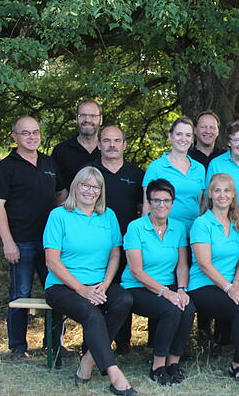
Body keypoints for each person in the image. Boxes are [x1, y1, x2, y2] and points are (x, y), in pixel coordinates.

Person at [43, 166, 136, 396]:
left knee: (123, 299)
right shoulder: (59, 215)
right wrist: (81, 289)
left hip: (98, 283)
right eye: (85, 185)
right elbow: (52, 261)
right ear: (76, 186)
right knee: (92, 314)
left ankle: (88, 361)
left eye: (95, 186)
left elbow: (116, 253)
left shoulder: (108, 215)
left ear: (101, 190)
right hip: (63, 285)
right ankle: (114, 375)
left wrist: (105, 283)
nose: (90, 190)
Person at [0, 116, 67, 361]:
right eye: (25, 133)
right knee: (19, 294)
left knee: (56, 292)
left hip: (50, 244)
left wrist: (61, 221)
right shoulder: (5, 167)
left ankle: (54, 344)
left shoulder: (48, 162)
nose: (32, 137)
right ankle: (18, 348)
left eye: (35, 132)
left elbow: (61, 192)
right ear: (14, 136)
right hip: (20, 242)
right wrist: (7, 242)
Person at [187, 173, 239, 391]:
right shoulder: (202, 223)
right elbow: (204, 264)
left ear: (233, 195)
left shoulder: (236, 223)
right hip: (203, 285)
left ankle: (237, 363)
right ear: (210, 195)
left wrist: (237, 284)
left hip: (231, 284)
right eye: (217, 191)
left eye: (227, 191)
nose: (222, 195)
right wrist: (228, 289)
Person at [121, 179, 195, 385]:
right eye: (156, 200)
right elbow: (136, 271)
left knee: (187, 308)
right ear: (149, 202)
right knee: (170, 310)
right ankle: (158, 366)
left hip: (169, 286)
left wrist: (181, 289)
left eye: (166, 200)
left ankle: (173, 363)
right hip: (138, 287)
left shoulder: (178, 228)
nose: (161, 205)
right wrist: (166, 293)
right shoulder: (135, 227)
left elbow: (182, 265)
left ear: (172, 203)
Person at [89, 125, 145, 353]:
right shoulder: (89, 173)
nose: (112, 145)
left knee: (124, 292)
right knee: (96, 291)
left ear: (124, 144)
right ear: (99, 144)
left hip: (128, 245)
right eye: (107, 141)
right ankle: (92, 343)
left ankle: (123, 343)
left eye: (117, 140)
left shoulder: (136, 174)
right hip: (95, 245)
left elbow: (144, 210)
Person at [143, 117, 206, 234]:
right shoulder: (156, 167)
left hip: (194, 233)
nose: (183, 139)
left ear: (193, 139)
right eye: (179, 134)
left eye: (188, 135)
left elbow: (200, 204)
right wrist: (146, 234)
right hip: (165, 233)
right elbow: (147, 204)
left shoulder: (199, 169)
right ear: (170, 136)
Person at [51, 99, 102, 187]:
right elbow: (55, 188)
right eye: (82, 115)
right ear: (76, 119)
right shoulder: (61, 151)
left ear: (101, 120)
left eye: (93, 116)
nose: (87, 120)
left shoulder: (109, 150)